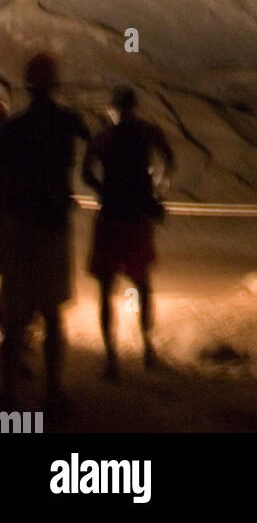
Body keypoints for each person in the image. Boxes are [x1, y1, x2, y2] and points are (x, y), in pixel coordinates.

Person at [0, 53, 89, 410]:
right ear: (54, 84)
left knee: (16, 317)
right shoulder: (67, 121)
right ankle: (52, 391)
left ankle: (8, 394)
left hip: (18, 225)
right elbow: (88, 138)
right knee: (52, 314)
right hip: (49, 227)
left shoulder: (13, 129)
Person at [83, 85, 174, 378]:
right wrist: (156, 192)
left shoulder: (104, 137)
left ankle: (111, 359)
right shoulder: (148, 132)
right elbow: (168, 160)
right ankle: (148, 348)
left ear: (113, 108)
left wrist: (105, 191)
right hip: (137, 217)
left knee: (106, 289)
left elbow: (86, 172)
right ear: (134, 106)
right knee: (142, 283)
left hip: (111, 216)